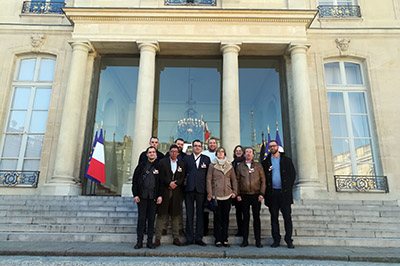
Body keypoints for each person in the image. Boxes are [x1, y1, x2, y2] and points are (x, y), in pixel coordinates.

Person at [261, 140, 296, 249]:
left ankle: (289, 240)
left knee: (287, 217)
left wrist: (288, 187)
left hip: (284, 193)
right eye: (270, 146)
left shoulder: (286, 160)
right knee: (274, 218)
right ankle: (276, 239)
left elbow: (292, 174)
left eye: (274, 146)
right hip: (272, 194)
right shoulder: (265, 162)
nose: (272, 148)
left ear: (278, 147)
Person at [132, 146, 163, 249]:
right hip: (142, 197)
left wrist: (160, 195)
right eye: (150, 152)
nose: (152, 154)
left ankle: (150, 242)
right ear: (147, 154)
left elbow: (161, 183)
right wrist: (135, 194)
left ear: (156, 154)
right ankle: (139, 242)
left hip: (153, 197)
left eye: (153, 152)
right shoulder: (141, 166)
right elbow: (135, 181)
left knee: (151, 220)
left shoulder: (159, 166)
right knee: (141, 220)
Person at [154, 144, 186, 247]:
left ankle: (176, 237)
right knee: (161, 215)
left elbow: (183, 177)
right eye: (172, 151)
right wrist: (169, 183)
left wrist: (176, 184)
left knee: (175, 215)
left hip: (177, 193)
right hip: (165, 191)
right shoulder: (162, 162)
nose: (174, 153)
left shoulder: (181, 163)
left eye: (175, 152)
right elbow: (160, 175)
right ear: (169, 152)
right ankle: (157, 238)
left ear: (178, 153)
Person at [206, 147, 238, 247]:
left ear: (225, 153)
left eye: (222, 152)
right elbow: (208, 180)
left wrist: (235, 191)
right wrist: (210, 193)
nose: (220, 153)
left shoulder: (230, 166)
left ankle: (225, 238)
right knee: (217, 218)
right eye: (218, 152)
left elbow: (234, 179)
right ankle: (218, 239)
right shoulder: (212, 165)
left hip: (227, 195)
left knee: (226, 218)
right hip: (216, 195)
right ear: (216, 154)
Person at [236, 147, 266, 248]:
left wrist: (262, 193)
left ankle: (258, 240)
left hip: (256, 194)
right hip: (244, 195)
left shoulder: (258, 166)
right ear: (244, 155)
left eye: (250, 152)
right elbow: (237, 181)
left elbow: (263, 180)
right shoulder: (240, 166)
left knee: (256, 218)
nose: (248, 154)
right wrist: (238, 194)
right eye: (246, 152)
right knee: (245, 218)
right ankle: (245, 240)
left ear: (253, 155)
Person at [183, 139, 211, 246]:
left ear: (202, 147)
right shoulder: (187, 158)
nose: (197, 147)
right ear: (192, 147)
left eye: (199, 146)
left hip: (201, 189)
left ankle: (199, 238)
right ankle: (189, 238)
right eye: (195, 146)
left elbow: (209, 176)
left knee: (200, 214)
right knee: (189, 214)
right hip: (189, 189)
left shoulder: (206, 159)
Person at [201, 137, 217, 236]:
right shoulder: (204, 154)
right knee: (205, 208)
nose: (212, 144)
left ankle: (217, 231)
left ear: (216, 144)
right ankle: (204, 230)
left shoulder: (220, 154)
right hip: (205, 184)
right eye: (210, 143)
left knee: (216, 208)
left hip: (217, 185)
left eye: (214, 143)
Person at [231, 145, 245, 237]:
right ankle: (240, 229)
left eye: (240, 150)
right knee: (238, 212)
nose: (238, 152)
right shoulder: (232, 164)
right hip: (236, 190)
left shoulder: (247, 162)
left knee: (245, 212)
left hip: (246, 191)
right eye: (237, 151)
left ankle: (245, 229)